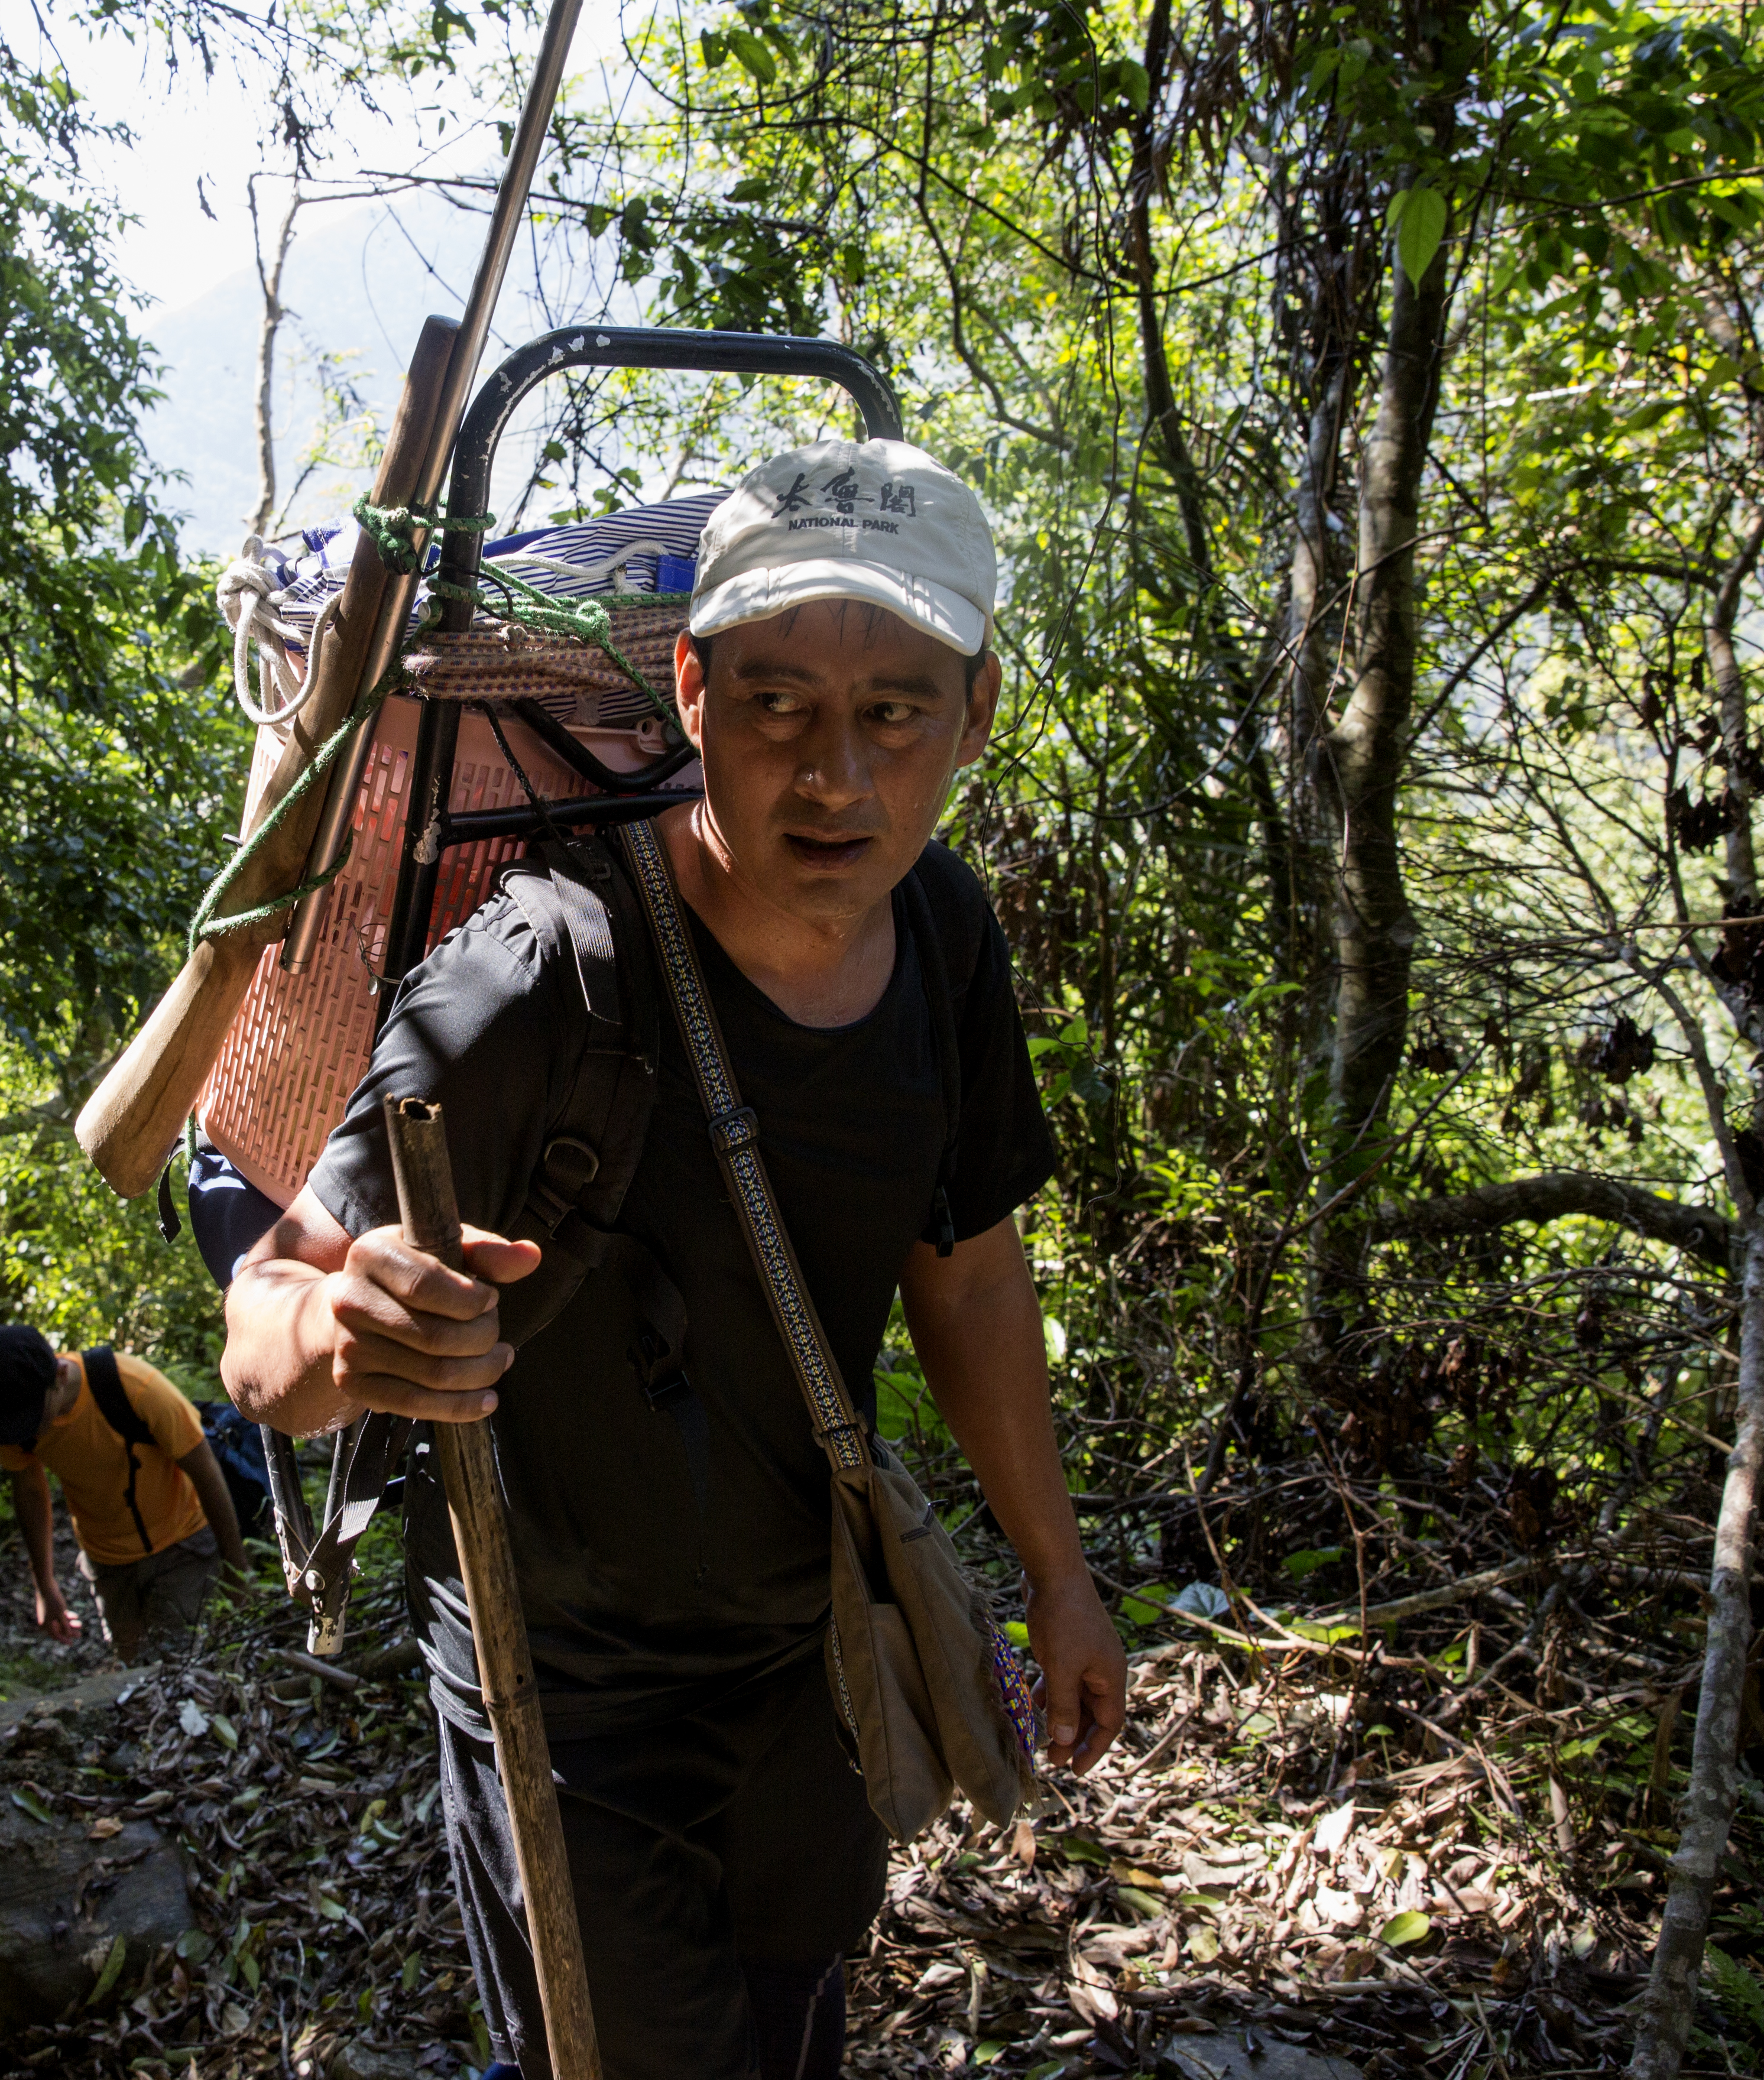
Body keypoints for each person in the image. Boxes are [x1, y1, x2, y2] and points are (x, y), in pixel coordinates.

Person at [219, 436, 1131, 2080]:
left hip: (803, 1647)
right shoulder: (539, 975)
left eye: (894, 713)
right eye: (778, 704)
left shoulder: (945, 936)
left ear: (975, 713)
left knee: (793, 2023)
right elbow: (262, 1316)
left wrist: (1057, 1571)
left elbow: (971, 1266)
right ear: (696, 693)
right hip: (558, 1685)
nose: (835, 777)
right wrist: (346, 1333)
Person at [0, 1323, 249, 1661]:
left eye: (30, 1416)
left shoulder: (133, 1386)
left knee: (182, 1663)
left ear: (59, 1376)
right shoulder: (14, 1416)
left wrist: (236, 1569)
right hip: (107, 1560)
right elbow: (29, 1494)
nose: (21, 1430)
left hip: (182, 1545)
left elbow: (205, 1472)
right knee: (131, 1668)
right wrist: (45, 1586)